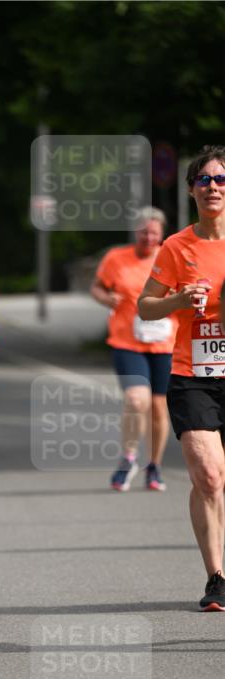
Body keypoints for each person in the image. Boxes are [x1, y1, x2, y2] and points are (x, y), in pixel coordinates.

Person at [138, 145, 225, 611]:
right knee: (209, 475)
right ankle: (216, 576)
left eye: (221, 179)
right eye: (205, 180)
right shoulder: (177, 247)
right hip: (193, 374)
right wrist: (176, 301)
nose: (214, 186)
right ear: (192, 189)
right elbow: (144, 305)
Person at [90, 208, 178, 491]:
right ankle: (128, 458)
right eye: (143, 231)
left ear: (161, 233)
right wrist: (107, 299)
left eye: (153, 232)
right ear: (134, 232)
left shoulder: (172, 255)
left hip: (165, 342)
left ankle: (155, 465)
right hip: (127, 341)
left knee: (157, 406)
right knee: (136, 399)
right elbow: (97, 287)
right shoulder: (116, 258)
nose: (148, 237)